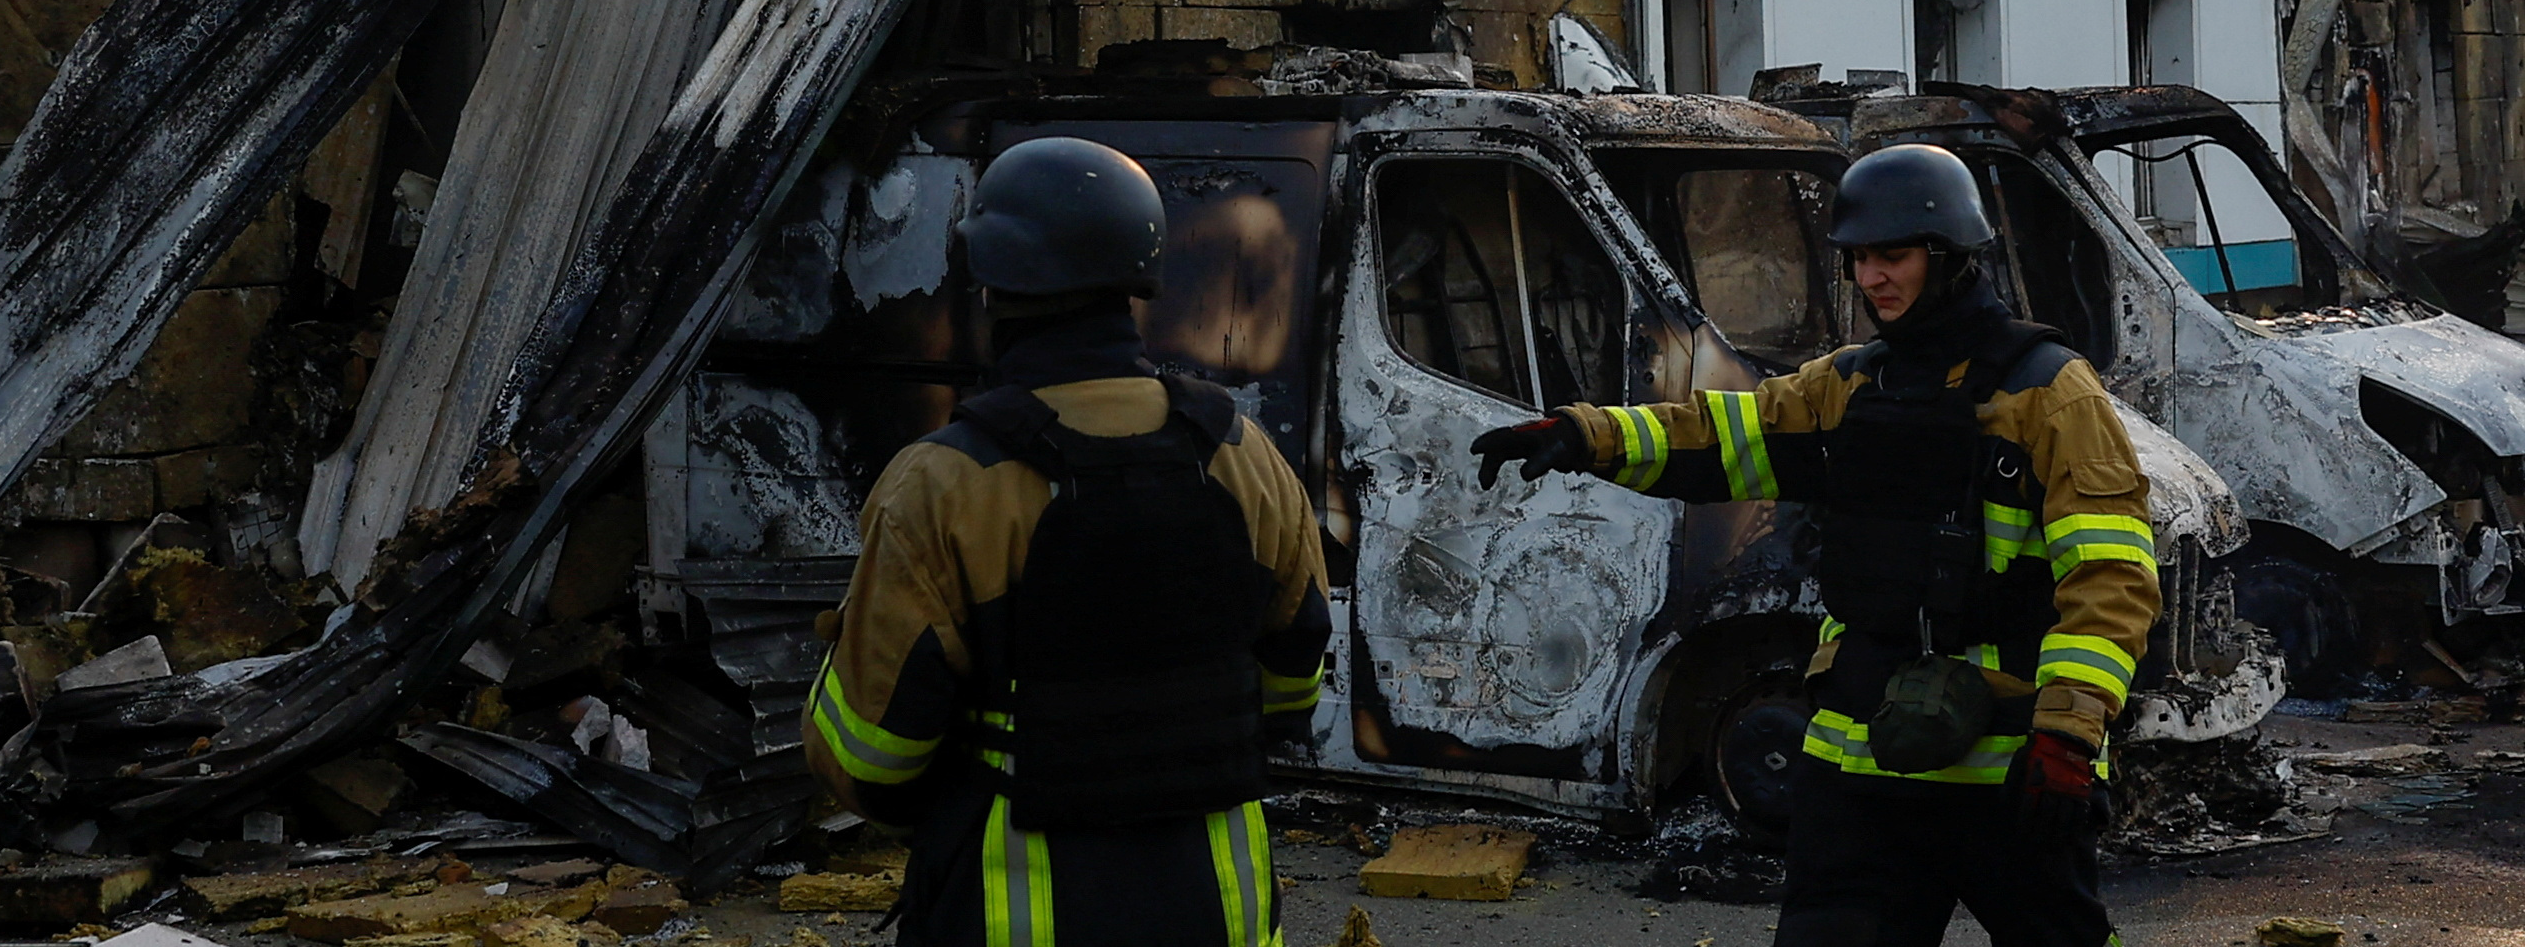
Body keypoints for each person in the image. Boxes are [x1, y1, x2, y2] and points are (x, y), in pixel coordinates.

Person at [1469, 142, 2157, 947]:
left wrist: (2068, 730)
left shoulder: (2049, 393)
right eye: (1859, 259)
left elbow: (2109, 575)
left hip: (2007, 762)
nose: (1872, 278)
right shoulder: (1847, 385)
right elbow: (1721, 433)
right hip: (1857, 762)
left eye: (1892, 256)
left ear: (1948, 255)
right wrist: (1585, 435)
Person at [804, 136, 1334, 947]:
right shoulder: (1241, 452)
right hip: (1219, 909)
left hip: (1015, 913)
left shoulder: (943, 483)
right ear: (1137, 277)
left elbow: (872, 757)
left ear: (991, 284)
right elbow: (1292, 688)